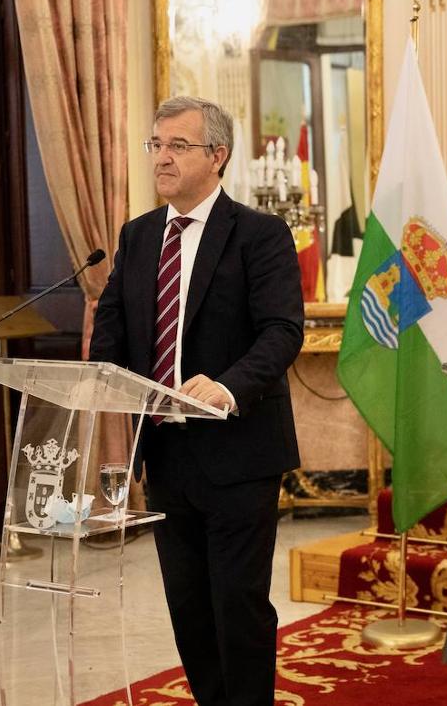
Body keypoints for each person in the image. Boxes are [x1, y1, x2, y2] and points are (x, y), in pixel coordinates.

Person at [90, 95, 304, 706]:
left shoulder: (259, 235)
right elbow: (111, 334)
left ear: (218, 156)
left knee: (236, 605)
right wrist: (95, 377)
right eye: (155, 145)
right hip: (165, 453)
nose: (161, 158)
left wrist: (228, 385)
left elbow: (282, 331)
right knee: (188, 609)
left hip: (238, 452)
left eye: (177, 146)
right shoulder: (136, 237)